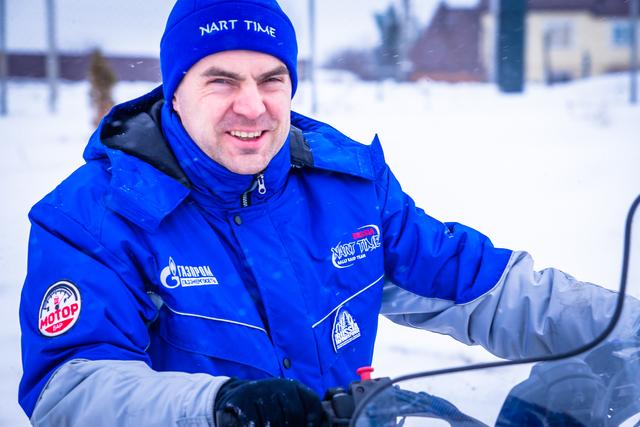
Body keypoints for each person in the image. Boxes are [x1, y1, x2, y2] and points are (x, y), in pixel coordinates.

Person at [18, 0, 639, 425]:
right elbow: (71, 391)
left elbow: (481, 286)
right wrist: (220, 407)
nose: (252, 106)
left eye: (271, 79)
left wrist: (627, 327)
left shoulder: (345, 187)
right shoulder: (95, 218)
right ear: (175, 91)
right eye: (221, 80)